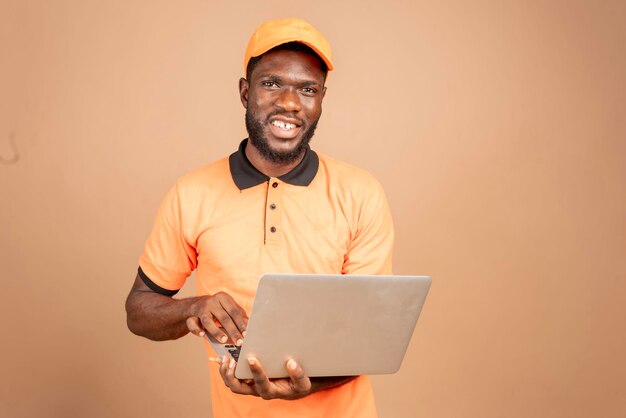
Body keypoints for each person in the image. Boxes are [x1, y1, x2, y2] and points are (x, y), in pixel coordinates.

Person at [125, 18, 394, 418]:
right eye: (272, 83)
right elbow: (139, 309)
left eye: (307, 89)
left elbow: (368, 335)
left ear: (321, 100)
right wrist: (191, 308)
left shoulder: (360, 192)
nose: (289, 102)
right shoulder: (192, 192)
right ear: (245, 91)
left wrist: (301, 384)